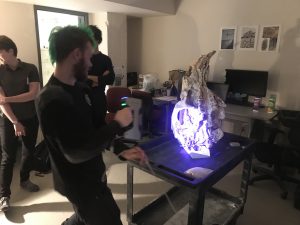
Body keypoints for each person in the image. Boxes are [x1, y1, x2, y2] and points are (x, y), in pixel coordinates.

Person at [35, 26, 147, 225]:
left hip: (94, 172)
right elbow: (75, 152)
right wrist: (117, 123)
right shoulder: (50, 99)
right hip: (78, 184)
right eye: (88, 56)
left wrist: (121, 149)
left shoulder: (81, 89)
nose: (90, 63)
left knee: (83, 218)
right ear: (76, 55)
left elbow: (95, 129)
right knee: (109, 217)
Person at [0, 35, 41, 212]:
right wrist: (15, 122)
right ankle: (4, 196)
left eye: (0, 51)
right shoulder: (0, 71)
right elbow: (2, 104)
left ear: (10, 50)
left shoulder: (30, 68)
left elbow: (33, 94)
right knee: (8, 157)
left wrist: (7, 98)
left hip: (30, 118)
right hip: (9, 120)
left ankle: (24, 179)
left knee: (28, 152)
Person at [88, 25, 115, 126]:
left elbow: (110, 79)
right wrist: (100, 78)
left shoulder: (105, 59)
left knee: (100, 129)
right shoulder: (81, 59)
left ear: (98, 40)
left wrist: (89, 77)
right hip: (84, 100)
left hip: (99, 99)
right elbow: (79, 81)